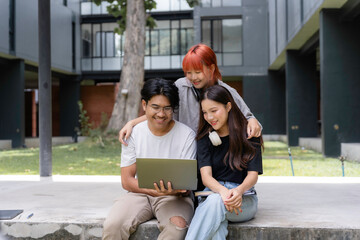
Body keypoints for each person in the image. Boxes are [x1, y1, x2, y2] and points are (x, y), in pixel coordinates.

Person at [102, 78, 197, 240]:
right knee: (113, 226)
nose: (161, 114)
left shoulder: (186, 135)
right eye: (155, 107)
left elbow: (186, 187)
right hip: (139, 195)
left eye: (167, 108)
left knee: (176, 229)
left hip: (175, 198)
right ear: (144, 105)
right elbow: (127, 181)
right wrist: (152, 191)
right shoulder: (133, 133)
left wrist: (175, 190)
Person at [119, 43, 261, 147]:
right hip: (185, 151)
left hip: (217, 155)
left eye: (198, 72)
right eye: (188, 72)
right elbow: (162, 111)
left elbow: (249, 119)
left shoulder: (227, 91)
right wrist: (132, 123)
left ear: (211, 68)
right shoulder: (181, 86)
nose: (193, 77)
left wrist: (253, 121)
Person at [185, 85, 263, 240]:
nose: (209, 117)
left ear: (228, 106)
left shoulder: (249, 134)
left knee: (214, 204)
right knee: (216, 229)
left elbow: (253, 175)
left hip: (243, 201)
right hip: (212, 195)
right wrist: (222, 192)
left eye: (214, 111)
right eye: (205, 112)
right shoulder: (203, 138)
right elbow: (206, 177)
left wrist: (239, 191)